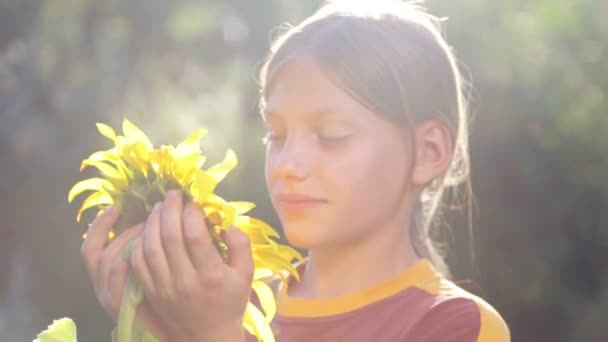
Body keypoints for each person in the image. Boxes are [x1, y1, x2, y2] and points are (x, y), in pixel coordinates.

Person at [80, 1, 511, 341]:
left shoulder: (453, 325)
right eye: (277, 134)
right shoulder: (230, 298)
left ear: (428, 152)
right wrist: (144, 324)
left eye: (332, 135)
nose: (288, 165)